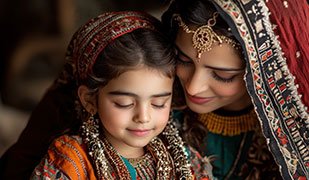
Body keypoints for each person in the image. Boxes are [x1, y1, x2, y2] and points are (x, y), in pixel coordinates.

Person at [2, 11, 215, 179]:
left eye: (159, 103)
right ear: (89, 100)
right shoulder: (69, 162)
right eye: (124, 103)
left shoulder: (184, 160)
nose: (143, 116)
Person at [161, 0, 309, 179]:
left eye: (223, 76)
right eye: (183, 60)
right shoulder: (153, 109)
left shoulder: (292, 136)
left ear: (259, 71)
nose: (193, 87)